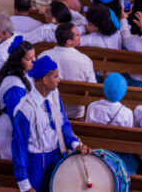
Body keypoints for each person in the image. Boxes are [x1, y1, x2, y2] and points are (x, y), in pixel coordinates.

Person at [10, 56, 89, 192]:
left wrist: (76, 144)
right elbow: (19, 149)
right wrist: (25, 186)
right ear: (45, 80)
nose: (59, 80)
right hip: (36, 162)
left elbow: (62, 123)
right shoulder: (24, 110)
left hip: (55, 155)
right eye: (56, 76)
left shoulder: (53, 94)